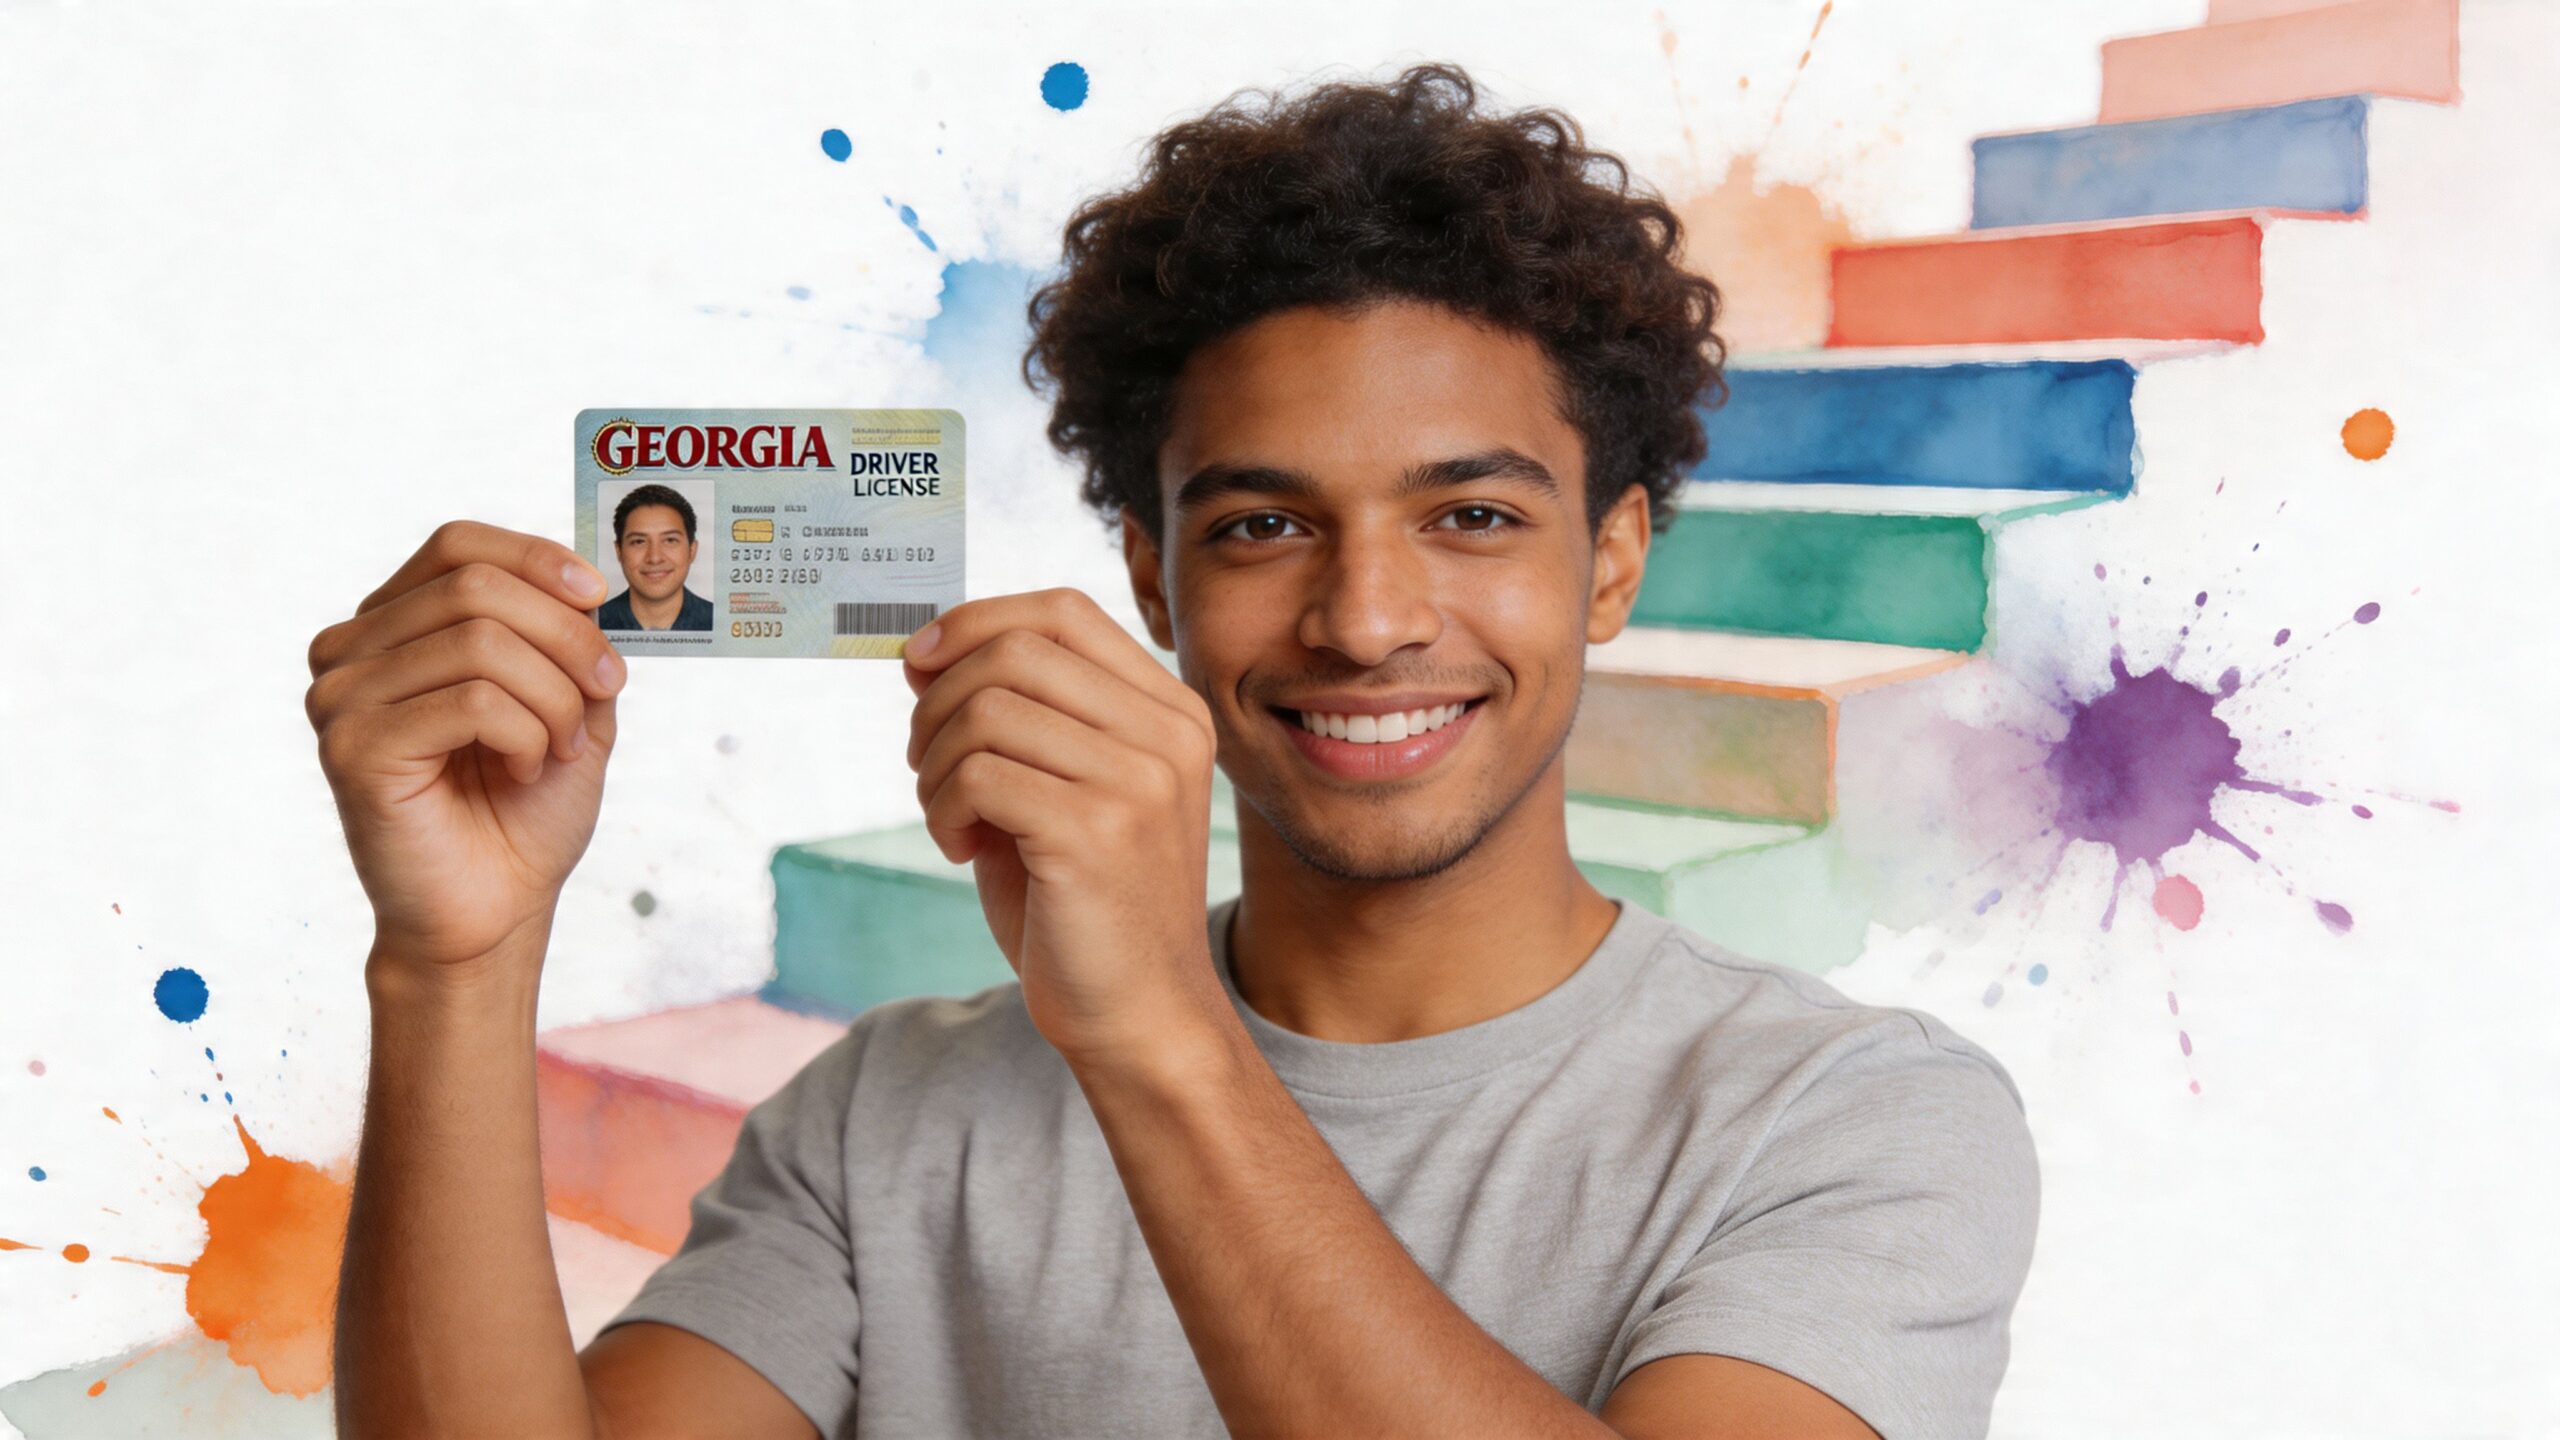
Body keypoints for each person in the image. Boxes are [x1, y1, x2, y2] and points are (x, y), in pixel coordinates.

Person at [307, 63, 2037, 1440]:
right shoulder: (882, 1123)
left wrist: (1153, 1029)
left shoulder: (1848, 1122)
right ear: (1153, 574)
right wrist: (453, 961)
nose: (1366, 619)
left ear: (1611, 559)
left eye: (1472, 514)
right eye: (1267, 524)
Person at [594, 482, 714, 632]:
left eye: (670, 540)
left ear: (692, 550)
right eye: (639, 541)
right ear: (619, 551)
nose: (655, 557)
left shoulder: (718, 622)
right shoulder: (592, 623)